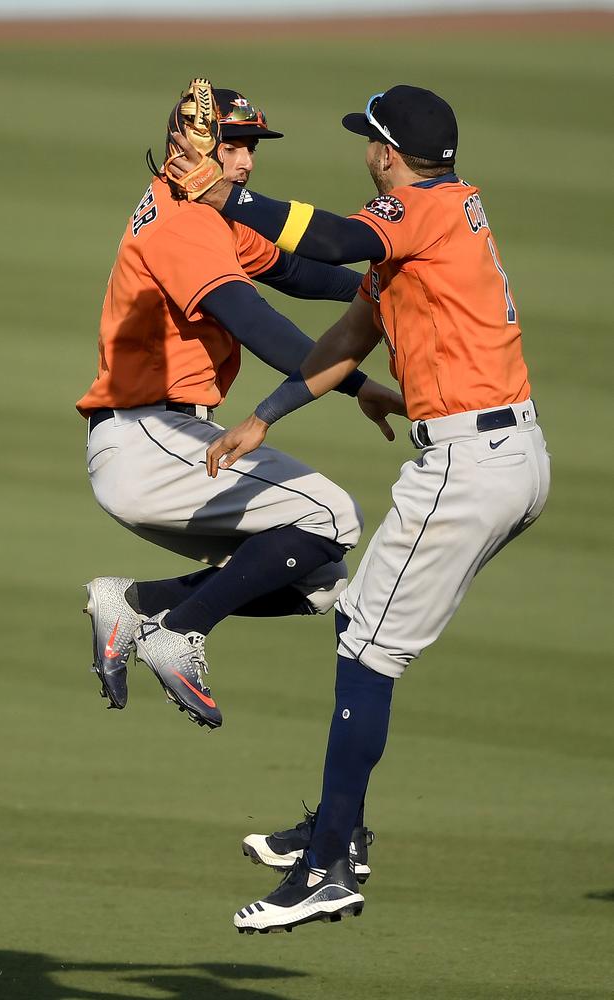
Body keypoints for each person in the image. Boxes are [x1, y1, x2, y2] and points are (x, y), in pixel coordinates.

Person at [169, 84, 551, 932]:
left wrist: (224, 194)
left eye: (368, 141)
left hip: (468, 463)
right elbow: (349, 337)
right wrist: (267, 415)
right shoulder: (438, 223)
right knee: (369, 635)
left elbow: (336, 238)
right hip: (504, 454)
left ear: (387, 151)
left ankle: (328, 864)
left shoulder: (416, 210)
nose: (364, 153)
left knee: (366, 646)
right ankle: (334, 831)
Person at [77, 84, 402, 740]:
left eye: (251, 147)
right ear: (187, 144)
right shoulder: (184, 222)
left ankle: (134, 604)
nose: (246, 162)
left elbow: (297, 272)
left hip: (166, 435)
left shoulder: (209, 213)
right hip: (146, 437)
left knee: (319, 576)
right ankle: (178, 632)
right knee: (332, 515)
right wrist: (357, 379)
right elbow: (260, 326)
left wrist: (395, 286)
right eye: (232, 145)